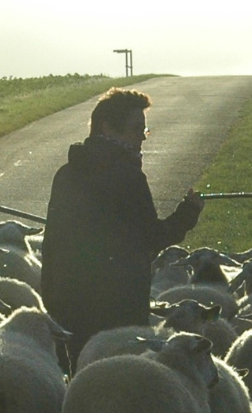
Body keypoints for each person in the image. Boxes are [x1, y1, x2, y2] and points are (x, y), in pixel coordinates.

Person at [39, 87, 203, 366]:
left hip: (70, 307)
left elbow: (52, 242)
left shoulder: (66, 174)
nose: (142, 136)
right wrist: (188, 212)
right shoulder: (128, 177)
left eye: (144, 129)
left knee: (81, 377)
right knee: (121, 378)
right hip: (118, 308)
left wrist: (52, 299)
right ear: (108, 128)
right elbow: (152, 238)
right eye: (136, 128)